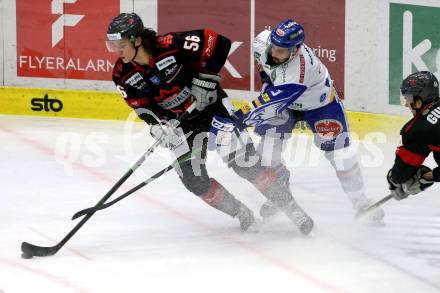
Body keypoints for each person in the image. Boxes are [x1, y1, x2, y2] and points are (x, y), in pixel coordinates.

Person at [105, 13, 313, 234]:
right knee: (193, 180)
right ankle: (241, 213)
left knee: (246, 163)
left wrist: (205, 79)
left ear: (137, 40)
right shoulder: (122, 74)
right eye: (112, 46)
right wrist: (157, 125)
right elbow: (141, 105)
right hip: (180, 124)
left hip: (214, 110)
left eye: (121, 45)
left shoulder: (170, 45)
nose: (117, 52)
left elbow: (219, 43)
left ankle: (292, 208)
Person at [232, 19, 385, 223]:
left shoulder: (299, 71)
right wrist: (268, 81)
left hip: (319, 104)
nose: (275, 54)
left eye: (282, 52)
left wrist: (238, 118)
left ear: (295, 50)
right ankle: (280, 188)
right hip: (285, 102)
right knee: (267, 154)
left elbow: (273, 101)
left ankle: (362, 203)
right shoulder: (261, 42)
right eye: (274, 48)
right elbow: (263, 67)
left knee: (340, 156)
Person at [386, 71, 439, 200]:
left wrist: (394, 181)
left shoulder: (420, 128)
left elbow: (400, 175)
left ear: (418, 102)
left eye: (408, 98)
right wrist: (429, 177)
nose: (406, 104)